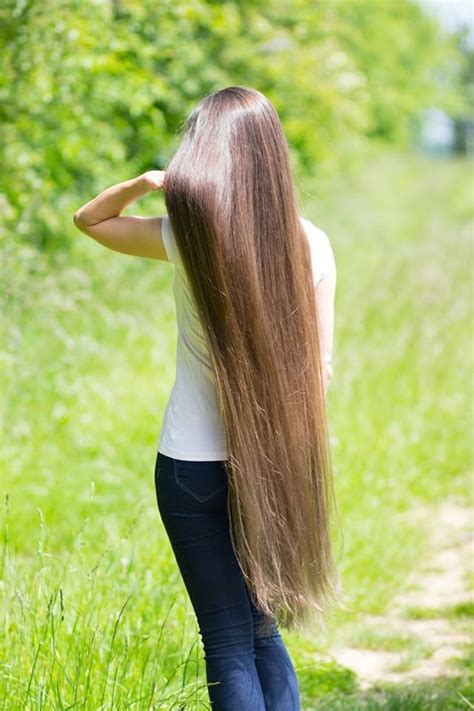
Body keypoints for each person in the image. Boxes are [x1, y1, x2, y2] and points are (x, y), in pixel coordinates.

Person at [73, 85, 343, 710]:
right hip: (276, 466)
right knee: (262, 628)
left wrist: (145, 181)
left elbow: (90, 221)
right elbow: (321, 372)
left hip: (191, 466)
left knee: (225, 640)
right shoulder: (313, 244)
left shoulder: (188, 237)